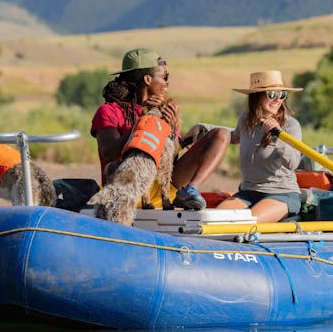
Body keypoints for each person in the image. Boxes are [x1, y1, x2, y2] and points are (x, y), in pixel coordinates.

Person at [90, 48, 229, 210]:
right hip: (130, 189)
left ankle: (189, 191)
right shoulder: (109, 111)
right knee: (112, 166)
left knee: (221, 134)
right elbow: (109, 153)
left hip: (166, 189)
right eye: (164, 77)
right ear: (148, 79)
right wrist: (143, 122)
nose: (167, 82)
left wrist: (173, 128)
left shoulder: (164, 110)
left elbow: (173, 157)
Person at [216, 70, 303, 223]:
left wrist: (278, 134)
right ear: (257, 96)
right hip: (248, 193)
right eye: (271, 94)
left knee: (245, 224)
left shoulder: (291, 125)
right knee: (213, 220)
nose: (278, 99)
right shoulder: (246, 120)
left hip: (281, 193)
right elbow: (235, 136)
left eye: (282, 94)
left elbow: (293, 163)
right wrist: (203, 130)